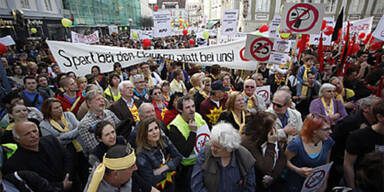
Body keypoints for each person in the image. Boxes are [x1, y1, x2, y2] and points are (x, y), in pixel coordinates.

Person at [3, 121, 73, 191]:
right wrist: (61, 185)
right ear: (17, 139)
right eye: (27, 134)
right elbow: (31, 186)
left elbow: (68, 157)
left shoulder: (51, 140)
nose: (33, 135)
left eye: (34, 131)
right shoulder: (13, 164)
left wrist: (67, 177)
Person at [328, 96, 380, 190]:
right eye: (376, 106)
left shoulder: (377, 124)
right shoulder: (351, 122)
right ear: (365, 108)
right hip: (344, 166)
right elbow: (332, 141)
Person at [39, 98, 89, 190]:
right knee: (73, 179)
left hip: (80, 150)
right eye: (56, 108)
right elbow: (54, 142)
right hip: (64, 155)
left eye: (60, 106)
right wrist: (72, 133)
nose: (60, 109)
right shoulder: (44, 125)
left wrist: (61, 136)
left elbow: (80, 129)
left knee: (86, 175)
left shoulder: (69, 115)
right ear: (48, 110)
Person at [191, 122, 256, 192]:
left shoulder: (245, 157)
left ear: (230, 149)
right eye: (212, 144)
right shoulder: (205, 153)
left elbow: (250, 187)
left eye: (217, 147)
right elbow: (196, 185)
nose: (212, 148)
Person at [167, 95, 210, 192]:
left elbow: (207, 136)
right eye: (187, 107)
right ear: (180, 110)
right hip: (187, 168)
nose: (192, 110)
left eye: (193, 106)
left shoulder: (198, 116)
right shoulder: (174, 127)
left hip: (204, 161)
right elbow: (185, 152)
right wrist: (192, 132)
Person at [285, 113, 334, 192]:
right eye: (326, 129)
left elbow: (326, 164)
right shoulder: (296, 144)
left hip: (315, 186)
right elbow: (284, 161)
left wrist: (324, 183)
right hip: (296, 186)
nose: (330, 132)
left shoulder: (328, 141)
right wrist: (298, 170)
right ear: (314, 130)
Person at [343, 100, 384, 190]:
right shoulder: (358, 136)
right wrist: (352, 188)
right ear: (380, 117)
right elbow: (348, 164)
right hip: (365, 185)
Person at [241, 111, 286, 192]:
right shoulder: (248, 142)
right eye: (273, 126)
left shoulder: (270, 136)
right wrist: (271, 144)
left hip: (270, 183)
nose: (276, 130)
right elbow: (265, 168)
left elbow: (282, 158)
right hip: (254, 183)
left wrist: (273, 176)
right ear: (265, 129)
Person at [136, 117, 182, 191]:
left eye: (156, 128)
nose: (155, 132)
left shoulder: (164, 140)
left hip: (171, 186)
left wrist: (162, 169)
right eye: (150, 130)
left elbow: (179, 157)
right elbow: (150, 180)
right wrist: (171, 167)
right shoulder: (141, 155)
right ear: (144, 134)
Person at [78, 90, 120, 154]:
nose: (102, 101)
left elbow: (120, 130)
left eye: (102, 98)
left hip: (119, 148)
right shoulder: (85, 124)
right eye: (98, 99)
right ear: (89, 104)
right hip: (102, 156)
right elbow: (94, 147)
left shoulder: (109, 113)